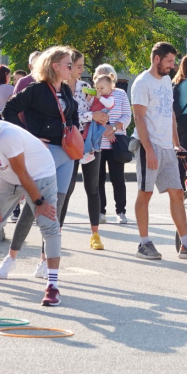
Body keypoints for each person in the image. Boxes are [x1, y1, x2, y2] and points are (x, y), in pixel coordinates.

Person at [0, 107, 63, 306]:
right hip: (7, 177)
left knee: (48, 225)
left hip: (38, 174)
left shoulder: (7, 137)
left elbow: (23, 173)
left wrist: (39, 202)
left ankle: (53, 287)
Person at [2, 47, 80, 275]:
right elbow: (9, 110)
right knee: (32, 206)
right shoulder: (36, 89)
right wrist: (30, 138)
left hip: (67, 154)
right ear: (54, 66)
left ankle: (44, 261)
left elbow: (72, 116)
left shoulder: (66, 90)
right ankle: (11, 257)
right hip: (43, 154)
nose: (71, 68)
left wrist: (76, 137)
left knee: (56, 207)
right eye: (68, 64)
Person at [132, 42, 187, 260]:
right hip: (149, 145)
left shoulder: (167, 80)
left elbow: (170, 114)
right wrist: (148, 149)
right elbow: (138, 118)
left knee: (177, 193)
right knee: (145, 194)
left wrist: (176, 142)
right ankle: (143, 243)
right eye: (168, 61)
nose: (172, 66)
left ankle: (186, 245)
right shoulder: (142, 83)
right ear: (156, 59)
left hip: (167, 147)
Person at [67, 50, 110, 247]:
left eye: (83, 65)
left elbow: (97, 104)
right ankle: (55, 233)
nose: (82, 69)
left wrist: (101, 115)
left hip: (91, 143)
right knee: (66, 190)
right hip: (68, 143)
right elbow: (68, 117)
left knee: (93, 188)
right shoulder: (59, 89)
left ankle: (95, 234)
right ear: (68, 66)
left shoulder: (85, 87)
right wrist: (90, 117)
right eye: (78, 66)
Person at [89, 71, 131, 225]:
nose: (99, 88)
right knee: (97, 180)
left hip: (116, 143)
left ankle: (121, 211)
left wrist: (112, 128)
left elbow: (127, 115)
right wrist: (103, 129)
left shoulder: (120, 94)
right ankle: (100, 211)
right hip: (98, 143)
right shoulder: (93, 95)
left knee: (118, 179)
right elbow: (89, 114)